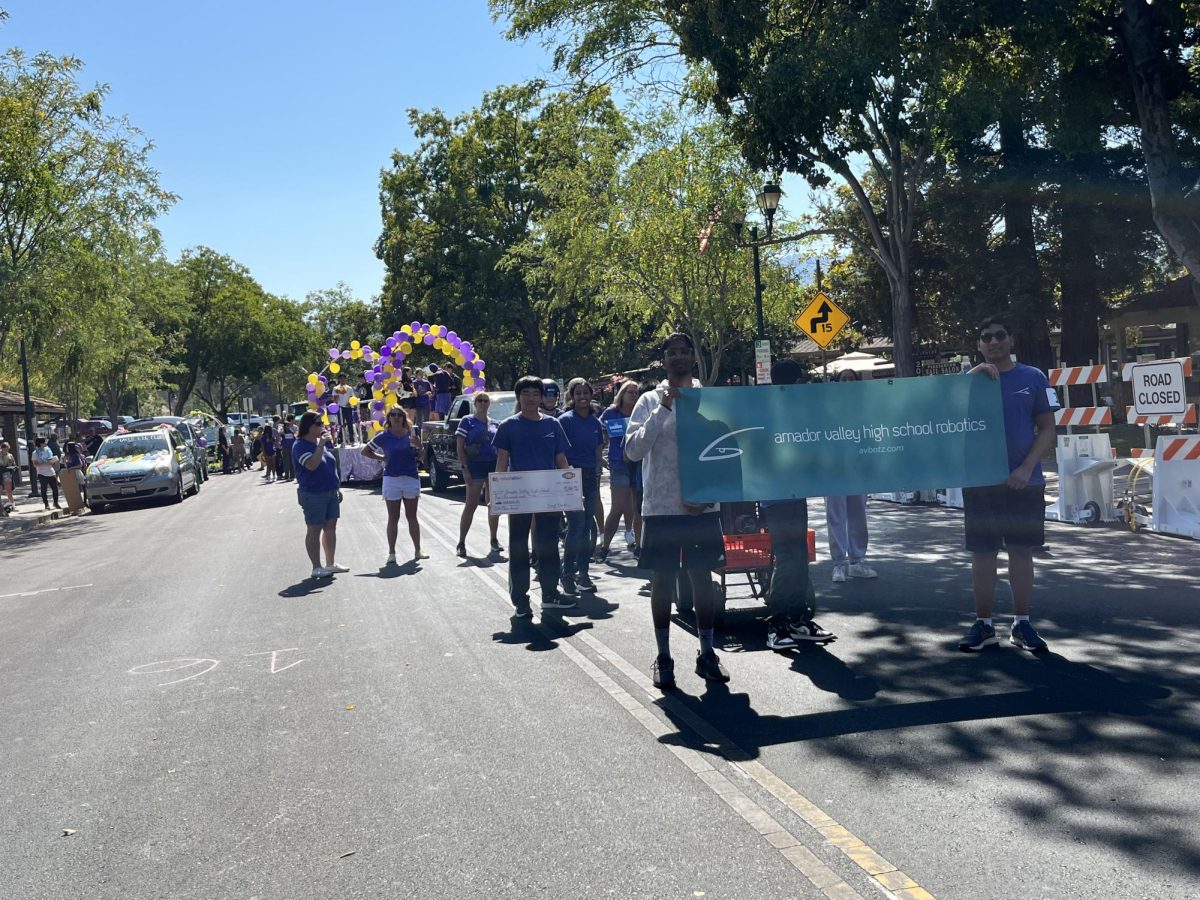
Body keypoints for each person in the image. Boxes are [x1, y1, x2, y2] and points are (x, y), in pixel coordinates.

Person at [624, 333, 729, 689]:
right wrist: (663, 408)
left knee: (702, 579)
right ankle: (664, 656)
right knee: (663, 581)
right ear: (664, 361)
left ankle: (707, 653)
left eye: (685, 351)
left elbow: (725, 450)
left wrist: (708, 496)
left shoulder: (710, 399)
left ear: (693, 358)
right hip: (661, 508)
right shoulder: (648, 400)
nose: (679, 357)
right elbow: (633, 452)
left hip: (702, 508)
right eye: (672, 353)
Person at [959, 315, 1059, 653]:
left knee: (1020, 552)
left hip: (1024, 482)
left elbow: (1047, 428)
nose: (993, 341)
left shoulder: (1033, 377)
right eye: (986, 337)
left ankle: (1022, 623)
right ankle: (984, 625)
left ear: (1011, 340)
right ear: (978, 344)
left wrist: (1026, 467)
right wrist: (971, 378)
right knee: (983, 554)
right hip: (980, 483)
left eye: (1000, 335)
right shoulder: (967, 381)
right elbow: (943, 416)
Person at [759, 359, 835, 649]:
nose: (803, 385)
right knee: (788, 555)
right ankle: (776, 624)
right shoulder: (770, 409)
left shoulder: (794, 407)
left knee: (798, 554)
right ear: (792, 382)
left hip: (794, 492)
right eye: (800, 380)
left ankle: (797, 619)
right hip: (776, 494)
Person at [494, 375, 575, 617]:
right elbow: (502, 462)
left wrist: (571, 489)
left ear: (542, 397)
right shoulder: (508, 426)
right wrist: (497, 493)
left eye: (535, 394)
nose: (531, 398)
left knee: (548, 545)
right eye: (526, 394)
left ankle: (550, 593)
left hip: (549, 495)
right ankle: (520, 600)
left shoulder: (552, 425)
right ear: (519, 397)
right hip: (519, 495)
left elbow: (561, 460)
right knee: (519, 546)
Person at [824, 369, 878, 583]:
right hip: (834, 469)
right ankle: (838, 564)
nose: (847, 382)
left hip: (857, 469)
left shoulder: (864, 408)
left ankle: (857, 561)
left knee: (858, 514)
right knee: (835, 516)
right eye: (843, 379)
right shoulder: (828, 407)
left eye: (851, 379)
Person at [361, 406, 427, 565]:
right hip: (391, 479)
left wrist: (420, 446)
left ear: (404, 418)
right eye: (393, 415)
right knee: (393, 517)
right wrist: (382, 458)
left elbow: (422, 457)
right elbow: (365, 451)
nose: (396, 418)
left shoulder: (411, 435)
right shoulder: (383, 436)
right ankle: (391, 552)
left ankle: (418, 550)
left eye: (399, 415)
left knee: (412, 516)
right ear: (388, 419)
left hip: (410, 477)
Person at [558, 377, 606, 594]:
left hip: (590, 476)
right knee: (576, 527)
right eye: (578, 393)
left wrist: (598, 472)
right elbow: (558, 452)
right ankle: (567, 574)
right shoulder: (565, 420)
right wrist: (567, 476)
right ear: (572, 396)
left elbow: (597, 453)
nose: (582, 397)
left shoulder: (597, 423)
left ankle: (583, 575)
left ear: (591, 395)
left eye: (585, 393)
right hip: (570, 476)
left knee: (587, 528)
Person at [292, 412, 348, 579]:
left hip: (330, 491)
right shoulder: (300, 446)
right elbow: (311, 465)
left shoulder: (319, 444)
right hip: (312, 493)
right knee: (314, 529)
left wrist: (337, 488)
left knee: (330, 528)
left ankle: (330, 564)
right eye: (318, 424)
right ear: (308, 427)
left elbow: (329, 466)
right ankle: (316, 567)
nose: (322, 426)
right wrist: (321, 445)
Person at [455, 391, 501, 557]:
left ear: (490, 403)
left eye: (485, 400)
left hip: (493, 466)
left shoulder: (496, 423)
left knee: (494, 504)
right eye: (479, 400)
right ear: (475, 403)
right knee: (471, 504)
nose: (482, 403)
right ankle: (461, 542)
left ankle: (494, 540)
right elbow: (460, 446)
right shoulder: (467, 421)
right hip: (474, 466)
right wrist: (464, 468)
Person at [598, 381, 640, 561]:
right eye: (629, 392)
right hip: (619, 465)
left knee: (638, 508)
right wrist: (600, 457)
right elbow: (600, 436)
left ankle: (638, 545)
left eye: (636, 392)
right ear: (621, 394)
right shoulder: (611, 413)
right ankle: (605, 546)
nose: (633, 395)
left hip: (638, 464)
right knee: (618, 507)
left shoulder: (641, 412)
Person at [31, 437, 61, 510]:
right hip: (42, 473)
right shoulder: (35, 453)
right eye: (44, 442)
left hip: (51, 471)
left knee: (55, 489)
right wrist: (45, 463)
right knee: (44, 489)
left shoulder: (48, 450)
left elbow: (51, 459)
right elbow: (35, 464)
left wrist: (53, 461)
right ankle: (46, 504)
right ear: (40, 443)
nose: (46, 443)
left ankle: (56, 503)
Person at [0, 441, 18, 514]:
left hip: (7, 472)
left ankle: (12, 503)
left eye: (7, 449)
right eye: (5, 449)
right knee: (0, 488)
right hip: (0, 472)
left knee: (9, 490)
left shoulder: (10, 455)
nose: (6, 451)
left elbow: (13, 463)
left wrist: (14, 467)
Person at [280, 415, 297, 481]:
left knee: (292, 461)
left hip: (292, 446)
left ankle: (292, 475)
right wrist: (283, 431)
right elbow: (279, 435)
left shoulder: (294, 428)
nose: (287, 427)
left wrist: (290, 430)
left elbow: (296, 435)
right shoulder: (282, 430)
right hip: (285, 447)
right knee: (286, 461)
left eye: (288, 425)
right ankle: (286, 475)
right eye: (286, 426)